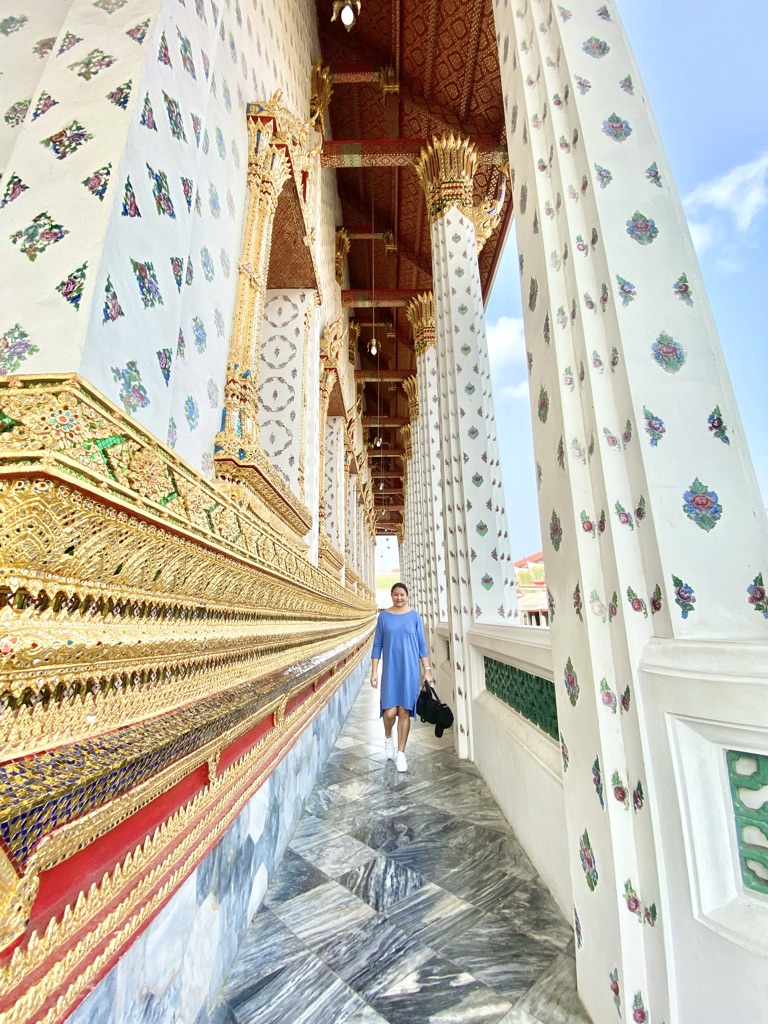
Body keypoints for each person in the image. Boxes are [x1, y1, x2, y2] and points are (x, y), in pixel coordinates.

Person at [370, 582, 433, 773]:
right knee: (389, 713)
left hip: (409, 670)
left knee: (404, 711)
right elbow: (377, 645)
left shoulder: (414, 616)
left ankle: (401, 754)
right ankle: (388, 736)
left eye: (402, 595)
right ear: (392, 596)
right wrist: (374, 671)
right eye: (396, 594)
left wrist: (427, 669)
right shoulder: (384, 617)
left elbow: (422, 645)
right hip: (391, 670)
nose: (399, 598)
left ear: (407, 596)